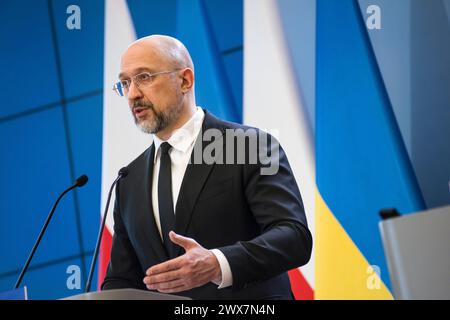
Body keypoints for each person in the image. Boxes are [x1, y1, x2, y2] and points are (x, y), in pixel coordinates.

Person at [101, 35, 312, 300]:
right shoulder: (127, 181)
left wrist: (217, 263)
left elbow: (294, 238)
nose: (132, 94)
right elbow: (122, 279)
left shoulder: (250, 145)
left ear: (185, 80)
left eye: (144, 77)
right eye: (125, 82)